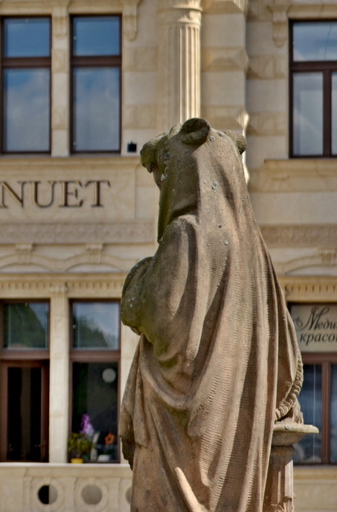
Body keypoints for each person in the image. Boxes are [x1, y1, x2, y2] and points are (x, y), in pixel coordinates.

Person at [120, 118, 302, 512]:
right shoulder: (257, 258)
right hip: (235, 442)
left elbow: (157, 319)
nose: (163, 188)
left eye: (165, 176)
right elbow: (286, 362)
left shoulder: (186, 234)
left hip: (180, 444)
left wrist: (137, 280)